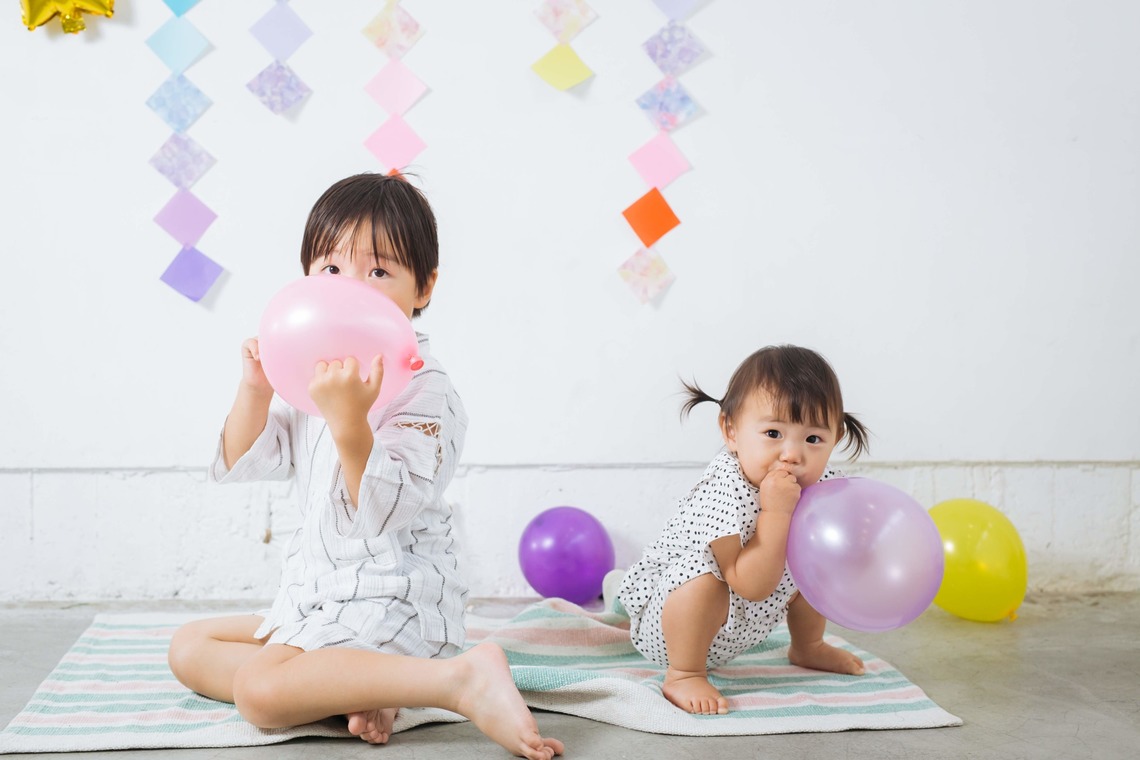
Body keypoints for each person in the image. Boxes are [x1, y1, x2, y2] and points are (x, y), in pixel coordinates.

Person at [167, 173, 563, 760]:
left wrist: (350, 420)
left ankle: (458, 679)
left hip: (395, 598)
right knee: (189, 645)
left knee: (258, 691)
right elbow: (247, 461)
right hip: (319, 597)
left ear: (423, 287)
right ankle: (358, 686)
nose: (348, 289)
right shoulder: (313, 370)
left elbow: (386, 509)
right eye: (331, 269)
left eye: (378, 272)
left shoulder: (427, 392)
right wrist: (255, 389)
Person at [616, 344, 871, 716]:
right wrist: (775, 513)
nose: (792, 454)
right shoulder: (723, 490)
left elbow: (836, 554)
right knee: (704, 579)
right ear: (731, 431)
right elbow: (749, 585)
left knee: (814, 561)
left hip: (743, 627)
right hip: (672, 628)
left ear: (835, 438)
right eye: (773, 433)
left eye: (813, 439)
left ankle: (807, 646)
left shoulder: (821, 487)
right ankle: (684, 675)